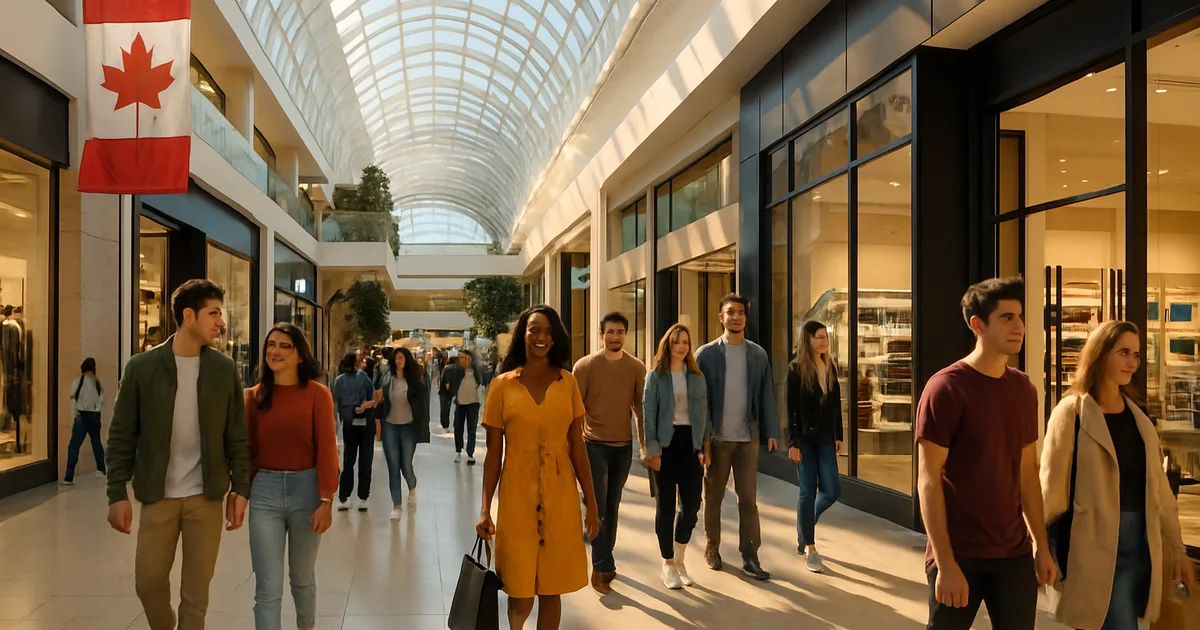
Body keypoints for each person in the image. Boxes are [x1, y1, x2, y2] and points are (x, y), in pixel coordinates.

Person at [106, 279, 251, 630]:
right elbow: (122, 434)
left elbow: (237, 435)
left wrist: (241, 488)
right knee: (148, 582)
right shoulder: (141, 368)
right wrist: (116, 494)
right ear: (188, 316)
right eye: (213, 313)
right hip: (158, 495)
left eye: (221, 313)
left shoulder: (223, 369)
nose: (221, 322)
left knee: (195, 594)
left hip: (206, 496)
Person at [916, 277, 1057, 630]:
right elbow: (929, 481)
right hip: (958, 553)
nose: (1020, 327)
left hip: (1013, 555)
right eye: (1007, 318)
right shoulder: (946, 388)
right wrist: (945, 564)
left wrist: (1041, 544)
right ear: (977, 324)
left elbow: (1027, 474)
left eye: (1021, 317)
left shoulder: (1024, 389)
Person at [1040, 321, 1195, 630]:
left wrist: (1178, 551)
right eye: (1123, 352)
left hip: (1141, 545)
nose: (1132, 363)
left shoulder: (1139, 419)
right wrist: (1040, 549)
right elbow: (1050, 491)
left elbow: (1160, 493)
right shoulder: (1071, 413)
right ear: (1100, 354)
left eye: (1136, 355)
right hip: (1093, 545)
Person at [476, 305, 600, 629]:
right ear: (523, 334)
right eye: (534, 330)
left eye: (547, 331)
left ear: (555, 337)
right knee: (519, 592)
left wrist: (592, 503)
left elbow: (578, 447)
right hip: (517, 495)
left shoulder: (568, 383)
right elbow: (492, 454)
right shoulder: (503, 385)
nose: (541, 337)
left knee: (551, 588)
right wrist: (485, 509)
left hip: (561, 496)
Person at [244, 323, 338, 630]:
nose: (276, 351)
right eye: (271, 344)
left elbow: (327, 448)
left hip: (307, 492)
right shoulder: (253, 397)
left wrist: (326, 498)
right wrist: (240, 493)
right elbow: (245, 452)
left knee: (301, 577)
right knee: (267, 588)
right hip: (264, 494)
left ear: (300, 354)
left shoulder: (317, 395)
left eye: (285, 345)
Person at [695, 293, 778, 580]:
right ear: (721, 317)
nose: (737, 317)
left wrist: (771, 431)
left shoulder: (757, 354)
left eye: (741, 312)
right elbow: (699, 401)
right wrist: (701, 440)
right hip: (716, 439)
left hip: (747, 438)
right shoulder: (705, 355)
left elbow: (766, 394)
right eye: (731, 312)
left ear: (746, 317)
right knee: (714, 496)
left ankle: (750, 555)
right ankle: (712, 547)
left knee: (748, 500)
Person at [572, 311, 647, 594]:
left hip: (622, 447)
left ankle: (606, 556)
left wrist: (644, 445)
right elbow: (576, 412)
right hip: (593, 445)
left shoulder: (636, 367)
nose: (615, 337)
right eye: (610, 332)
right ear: (600, 334)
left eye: (620, 332)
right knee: (599, 506)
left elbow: (640, 409)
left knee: (612, 505)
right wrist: (574, 448)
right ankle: (601, 565)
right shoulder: (585, 366)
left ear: (625, 335)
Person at [643, 323, 710, 590]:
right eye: (677, 341)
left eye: (686, 342)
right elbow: (648, 415)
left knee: (692, 506)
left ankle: (680, 556)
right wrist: (652, 450)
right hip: (665, 447)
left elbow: (706, 413)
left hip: (690, 444)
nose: (682, 346)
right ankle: (668, 563)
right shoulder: (656, 376)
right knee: (666, 508)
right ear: (667, 345)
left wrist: (705, 445)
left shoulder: (696, 376)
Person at [787, 320, 844, 573]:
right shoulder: (797, 368)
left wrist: (839, 435)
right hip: (805, 441)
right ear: (807, 339)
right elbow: (791, 410)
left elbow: (835, 406)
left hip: (825, 439)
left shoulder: (830, 366)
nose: (823, 341)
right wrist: (793, 442)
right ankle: (809, 546)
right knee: (807, 492)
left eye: (825, 337)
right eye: (818, 337)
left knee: (831, 491)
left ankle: (805, 523)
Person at [377, 346, 430, 520]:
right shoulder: (387, 379)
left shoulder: (415, 381)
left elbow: (423, 407)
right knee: (393, 465)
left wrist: (422, 427)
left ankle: (412, 488)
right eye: (396, 358)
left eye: (401, 357)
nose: (398, 360)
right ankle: (396, 506)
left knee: (405, 465)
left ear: (407, 360)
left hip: (409, 426)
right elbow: (379, 399)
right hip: (390, 425)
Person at [332, 353, 376, 511]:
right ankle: (363, 497)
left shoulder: (339, 380)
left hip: (348, 424)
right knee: (365, 462)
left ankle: (344, 497)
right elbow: (374, 399)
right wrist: (365, 406)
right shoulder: (364, 378)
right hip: (366, 423)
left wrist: (334, 428)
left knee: (348, 461)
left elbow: (335, 404)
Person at [63, 357, 105, 485]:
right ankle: (101, 469)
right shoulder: (97, 383)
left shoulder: (77, 382)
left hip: (81, 416)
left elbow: (73, 401)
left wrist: (74, 416)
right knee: (97, 443)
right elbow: (101, 400)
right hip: (94, 416)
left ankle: (68, 477)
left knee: (74, 445)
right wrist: (96, 413)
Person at [442, 350, 482, 464]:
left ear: (469, 358)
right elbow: (448, 385)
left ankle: (470, 454)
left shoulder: (475, 371)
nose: (461, 360)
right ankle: (458, 451)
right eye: (459, 357)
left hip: (473, 403)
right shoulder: (456, 371)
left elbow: (481, 383)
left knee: (471, 429)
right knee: (458, 428)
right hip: (460, 403)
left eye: (463, 357)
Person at [434, 348, 453, 433]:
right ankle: (445, 424)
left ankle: (445, 424)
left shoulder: (445, 368)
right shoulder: (447, 368)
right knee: (446, 408)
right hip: (446, 392)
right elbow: (447, 381)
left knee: (444, 408)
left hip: (443, 392)